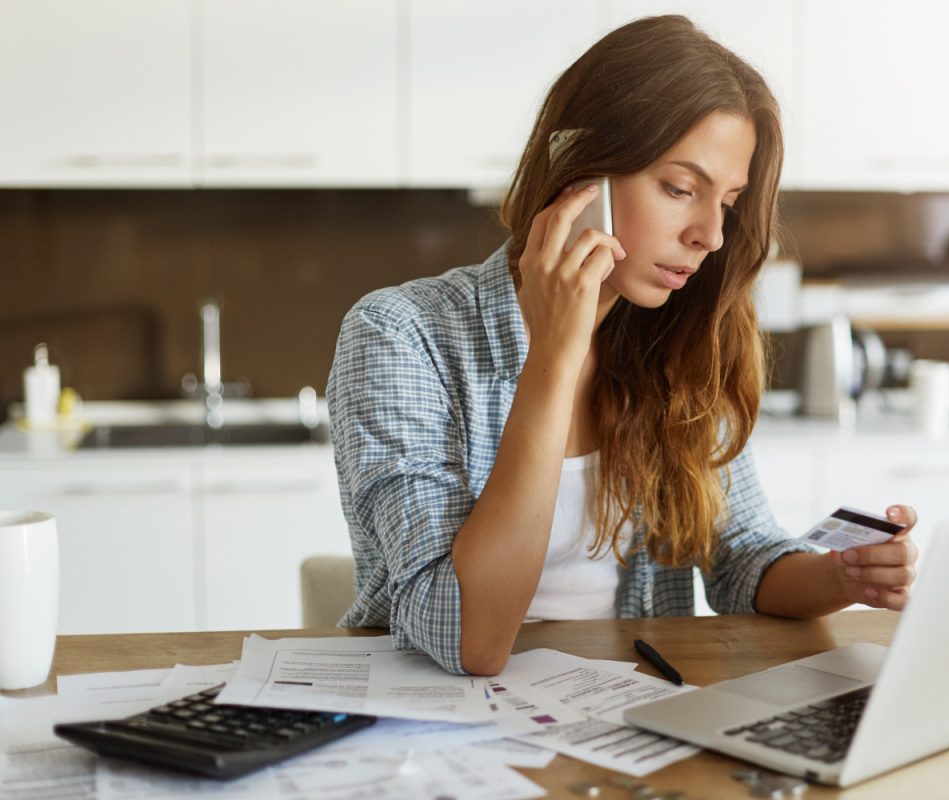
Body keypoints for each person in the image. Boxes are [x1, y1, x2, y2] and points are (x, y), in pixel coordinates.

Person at [327, 15, 919, 676]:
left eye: (726, 201)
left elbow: (742, 556)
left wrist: (840, 579)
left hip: (624, 708)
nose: (710, 235)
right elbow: (470, 639)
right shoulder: (401, 335)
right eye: (679, 189)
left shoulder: (676, 347)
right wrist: (555, 353)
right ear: (579, 175)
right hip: (437, 727)